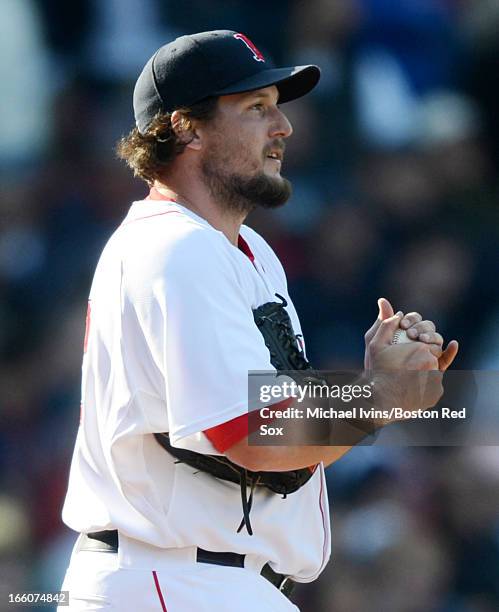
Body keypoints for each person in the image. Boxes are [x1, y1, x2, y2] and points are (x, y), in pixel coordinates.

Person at [59, 30, 458, 611]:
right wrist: (376, 397)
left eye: (277, 106)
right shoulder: (177, 247)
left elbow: (274, 424)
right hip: (172, 576)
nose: (284, 127)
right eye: (256, 108)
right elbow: (249, 433)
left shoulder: (242, 249)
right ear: (185, 127)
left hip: (205, 579)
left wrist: (377, 381)